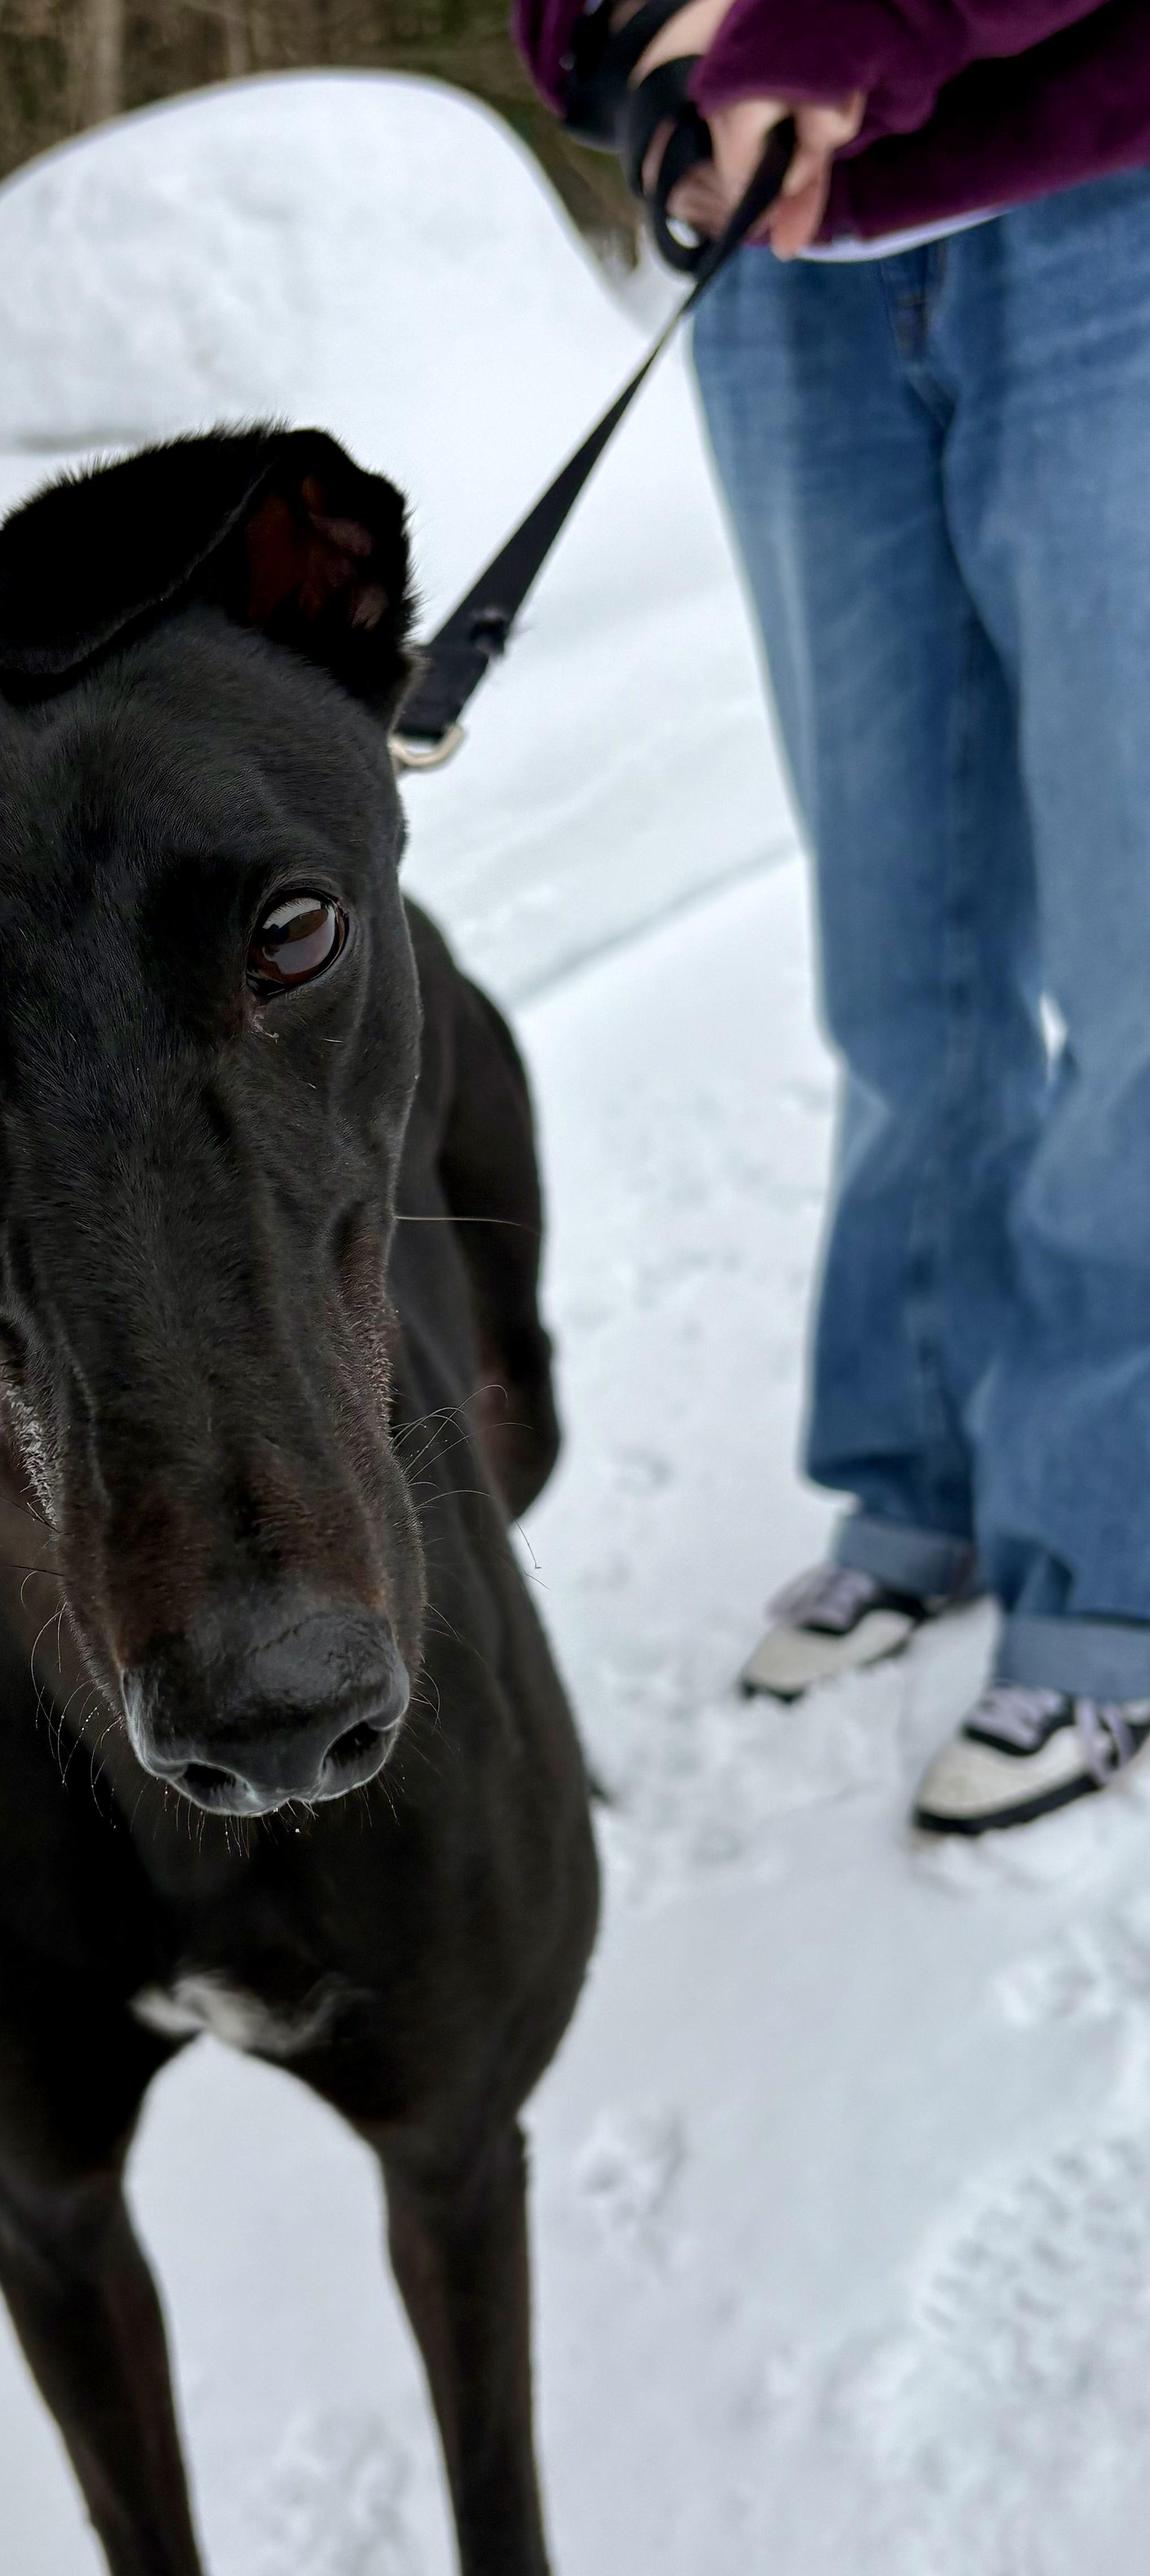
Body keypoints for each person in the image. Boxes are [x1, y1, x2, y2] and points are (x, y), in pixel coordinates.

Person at [513, 0, 1150, 1836]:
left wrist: (833, 23)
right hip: (793, 289)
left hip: (1102, 216)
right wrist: (639, 69)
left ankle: (1107, 1556)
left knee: (1131, 972)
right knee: (899, 966)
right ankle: (922, 1472)